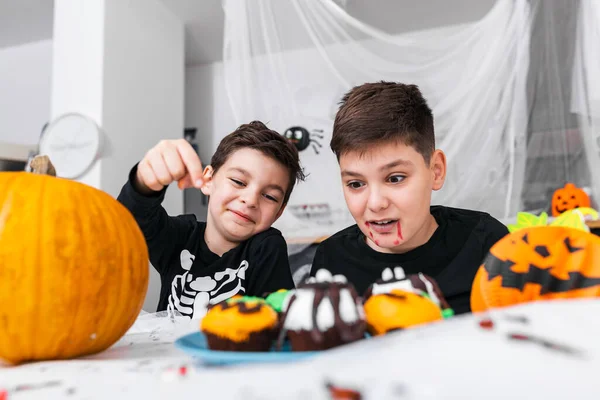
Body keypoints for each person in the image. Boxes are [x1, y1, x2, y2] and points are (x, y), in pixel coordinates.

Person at [310, 82, 508, 314]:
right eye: (356, 184)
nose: (375, 203)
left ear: (436, 171)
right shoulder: (332, 260)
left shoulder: (485, 242)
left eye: (395, 178)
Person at [117, 121, 305, 319]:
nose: (250, 200)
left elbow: (279, 323)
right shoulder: (180, 237)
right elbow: (128, 221)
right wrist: (145, 181)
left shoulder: (266, 248)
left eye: (270, 197)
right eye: (239, 182)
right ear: (207, 180)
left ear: (279, 212)